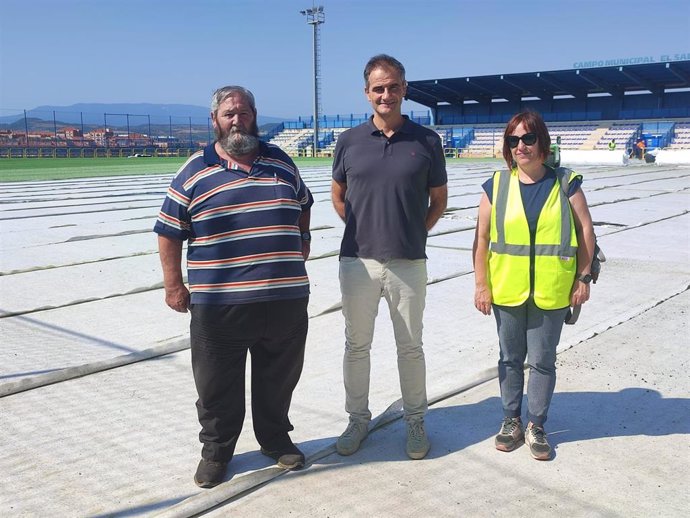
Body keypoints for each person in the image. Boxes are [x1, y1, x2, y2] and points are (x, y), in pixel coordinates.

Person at [154, 85, 313, 488]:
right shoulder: (194, 171)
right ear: (215, 121)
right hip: (218, 306)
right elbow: (169, 231)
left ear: (254, 115)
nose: (237, 120)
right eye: (229, 114)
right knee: (216, 383)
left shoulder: (281, 162)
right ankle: (217, 452)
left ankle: (276, 439)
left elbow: (304, 204)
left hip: (285, 299)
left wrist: (302, 244)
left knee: (279, 377)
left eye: (243, 113)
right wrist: (174, 286)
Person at [331, 54, 448, 460]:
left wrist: (412, 231)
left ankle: (415, 421)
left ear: (404, 89)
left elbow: (438, 200)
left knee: (410, 346)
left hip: (408, 262)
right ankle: (357, 419)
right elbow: (338, 196)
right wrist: (366, 231)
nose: (386, 94)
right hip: (357, 262)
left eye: (393, 86)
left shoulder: (426, 141)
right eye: (378, 88)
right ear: (367, 93)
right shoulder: (348, 141)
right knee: (356, 346)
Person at [472, 110, 595, 460]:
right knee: (510, 359)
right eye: (513, 140)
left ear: (542, 142)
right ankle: (511, 420)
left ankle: (536, 424)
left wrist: (583, 277)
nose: (521, 146)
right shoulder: (495, 186)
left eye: (528, 138)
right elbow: (481, 240)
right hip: (507, 289)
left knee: (542, 360)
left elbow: (585, 231)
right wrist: (482, 285)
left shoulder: (566, 183)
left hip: (552, 290)